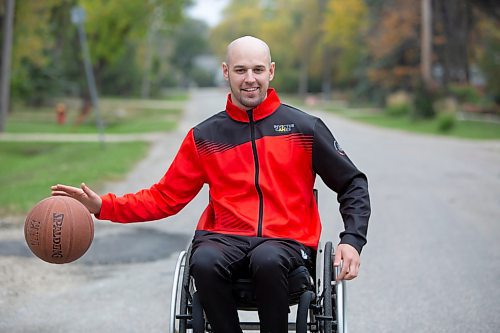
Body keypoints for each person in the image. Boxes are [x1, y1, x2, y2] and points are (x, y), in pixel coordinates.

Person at [51, 36, 370, 333]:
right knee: (202, 261)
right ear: (225, 72)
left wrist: (351, 240)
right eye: (240, 70)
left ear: (271, 72)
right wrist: (103, 206)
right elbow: (164, 197)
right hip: (224, 236)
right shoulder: (205, 137)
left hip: (286, 239)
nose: (250, 79)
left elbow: (352, 182)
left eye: (258, 70)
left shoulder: (304, 128)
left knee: (268, 260)